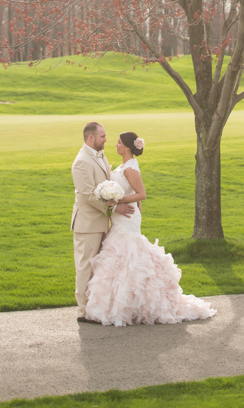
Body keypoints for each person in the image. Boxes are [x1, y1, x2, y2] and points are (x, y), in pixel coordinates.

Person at [83, 130, 217, 327]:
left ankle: (129, 307)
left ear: (127, 147)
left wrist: (116, 200)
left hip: (126, 217)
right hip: (122, 216)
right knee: (119, 257)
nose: (115, 145)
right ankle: (120, 306)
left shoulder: (130, 168)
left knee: (128, 254)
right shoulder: (124, 166)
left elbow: (141, 194)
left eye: (119, 142)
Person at [70, 121, 136, 322]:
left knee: (98, 268)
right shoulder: (81, 162)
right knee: (85, 267)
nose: (106, 140)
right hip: (87, 224)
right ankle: (83, 311)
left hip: (102, 222)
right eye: (102, 136)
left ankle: (95, 308)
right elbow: (88, 195)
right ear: (91, 138)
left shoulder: (99, 154)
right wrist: (115, 207)